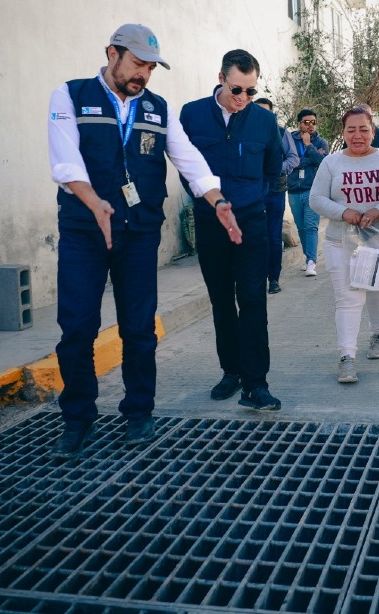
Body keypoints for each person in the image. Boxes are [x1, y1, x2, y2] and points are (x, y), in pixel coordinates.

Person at [47, 23, 239, 458]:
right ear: (112, 53)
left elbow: (188, 158)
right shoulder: (70, 95)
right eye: (137, 64)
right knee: (77, 328)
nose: (143, 75)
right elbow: (64, 160)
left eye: (150, 67)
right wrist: (94, 201)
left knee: (138, 328)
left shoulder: (157, 107)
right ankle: (77, 419)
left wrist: (217, 199)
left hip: (138, 231)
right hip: (84, 230)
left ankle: (139, 412)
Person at [180, 49, 285, 411]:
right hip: (211, 224)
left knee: (253, 300)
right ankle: (231, 372)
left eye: (252, 91)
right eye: (238, 89)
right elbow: (185, 166)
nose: (244, 98)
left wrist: (254, 199)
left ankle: (256, 384)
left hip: (251, 223)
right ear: (221, 77)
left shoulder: (263, 122)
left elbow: (273, 170)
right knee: (222, 300)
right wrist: (209, 201)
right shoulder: (192, 115)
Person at [309, 105, 379, 383]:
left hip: (378, 239)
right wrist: (344, 212)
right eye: (351, 130)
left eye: (364, 129)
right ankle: (346, 357)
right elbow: (316, 198)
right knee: (348, 298)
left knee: (377, 291)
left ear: (373, 132)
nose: (358, 135)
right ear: (343, 133)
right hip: (340, 241)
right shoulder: (331, 163)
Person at [254, 97, 301, 294]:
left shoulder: (282, 133)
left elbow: (293, 158)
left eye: (266, 112)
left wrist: (275, 169)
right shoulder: (246, 131)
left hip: (274, 191)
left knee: (273, 236)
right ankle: (255, 278)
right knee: (255, 236)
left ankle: (274, 279)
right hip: (252, 191)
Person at [287, 108, 329, 277]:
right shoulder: (289, 139)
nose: (310, 125)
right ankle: (307, 257)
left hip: (313, 189)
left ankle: (311, 261)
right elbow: (290, 161)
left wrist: (309, 146)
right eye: (306, 122)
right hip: (294, 190)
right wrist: (307, 160)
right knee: (301, 227)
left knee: (311, 226)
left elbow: (323, 162)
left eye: (313, 122)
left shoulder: (321, 142)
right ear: (299, 124)